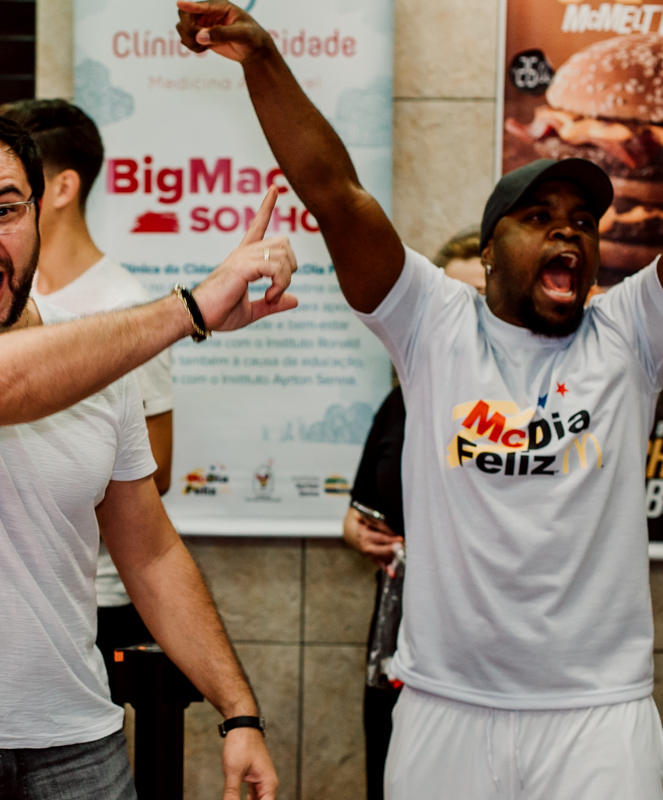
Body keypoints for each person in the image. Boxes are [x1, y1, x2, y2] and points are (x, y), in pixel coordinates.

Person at [176, 3, 663, 797]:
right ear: (491, 246)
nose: (568, 235)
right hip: (446, 709)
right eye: (538, 219)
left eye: (582, 222)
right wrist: (261, 56)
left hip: (597, 716)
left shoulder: (633, 330)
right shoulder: (435, 323)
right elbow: (335, 193)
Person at [0, 107, 299, 800]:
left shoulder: (94, 356)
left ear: (40, 213)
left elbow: (150, 550)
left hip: (76, 749)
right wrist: (189, 309)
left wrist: (238, 709)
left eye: (2, 210)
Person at [0, 98, 172, 673]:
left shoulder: (125, 309)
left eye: (14, 189)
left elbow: (158, 468)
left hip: (93, 597)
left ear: (63, 188)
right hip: (5, 595)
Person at [341, 227, 484, 800]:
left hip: (480, 647)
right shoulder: (406, 395)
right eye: (455, 298)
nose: (466, 315)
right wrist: (355, 531)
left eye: (480, 297)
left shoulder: (524, 409)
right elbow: (359, 503)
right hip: (400, 634)